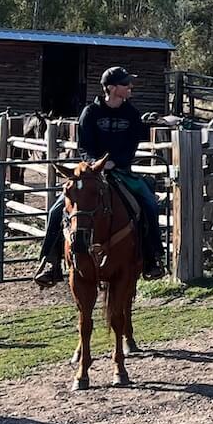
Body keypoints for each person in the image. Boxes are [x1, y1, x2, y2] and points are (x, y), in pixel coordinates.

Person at [33, 67, 163, 285]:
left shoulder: (131, 113)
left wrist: (115, 162)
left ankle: (152, 258)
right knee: (56, 210)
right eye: (125, 84)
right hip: (91, 172)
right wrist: (96, 164)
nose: (130, 87)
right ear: (111, 88)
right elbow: (83, 146)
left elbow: (132, 144)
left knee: (149, 203)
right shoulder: (90, 113)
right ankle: (51, 262)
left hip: (121, 171)